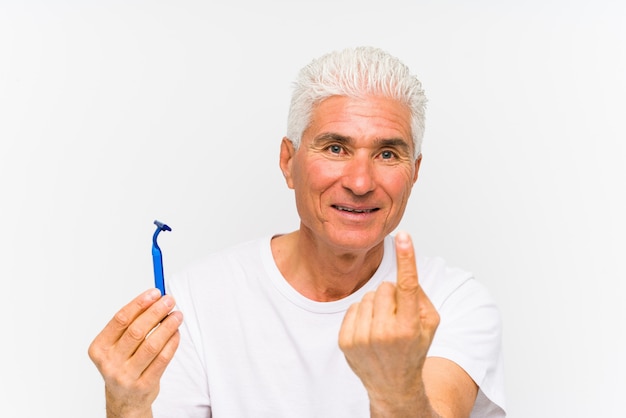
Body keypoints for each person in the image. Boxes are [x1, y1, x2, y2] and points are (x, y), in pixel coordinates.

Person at [89, 46, 506, 417]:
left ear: (414, 173)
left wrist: (396, 389)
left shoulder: (454, 303)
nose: (360, 182)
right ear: (289, 162)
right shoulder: (194, 302)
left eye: (387, 153)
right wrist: (127, 405)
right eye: (335, 148)